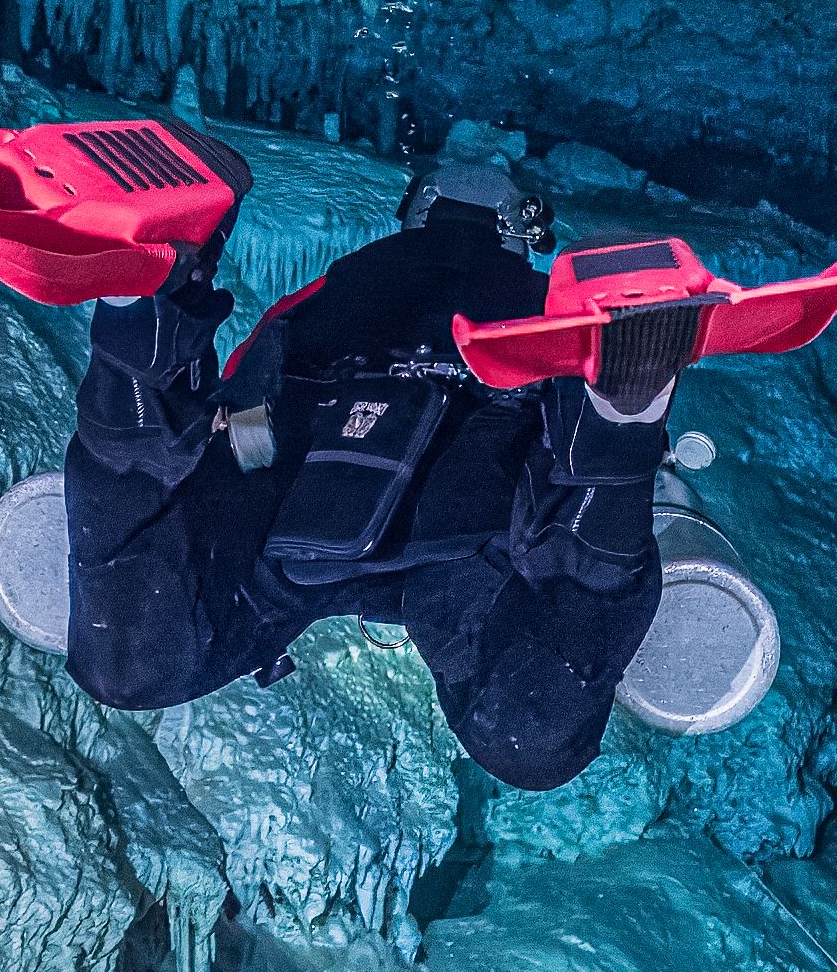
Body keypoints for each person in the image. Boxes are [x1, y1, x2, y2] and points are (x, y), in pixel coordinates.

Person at [58, 160, 687, 790]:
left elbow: (245, 394)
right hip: (464, 541)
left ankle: (147, 312)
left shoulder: (338, 286)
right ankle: (614, 441)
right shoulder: (536, 305)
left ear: (417, 210)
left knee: (127, 665)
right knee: (530, 740)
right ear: (521, 233)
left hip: (298, 517)